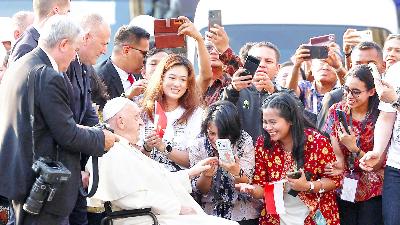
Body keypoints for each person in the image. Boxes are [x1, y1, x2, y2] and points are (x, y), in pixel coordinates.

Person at [0, 15, 117, 225]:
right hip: (42, 186)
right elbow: (67, 134)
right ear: (63, 44)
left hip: (22, 180)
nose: (74, 58)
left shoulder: (20, 66)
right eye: (74, 50)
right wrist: (101, 138)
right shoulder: (48, 75)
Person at [86, 97, 239, 225]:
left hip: (155, 216)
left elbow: (158, 181)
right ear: (121, 122)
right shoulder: (111, 152)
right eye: (136, 117)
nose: (141, 122)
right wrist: (176, 207)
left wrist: (193, 172)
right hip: (143, 219)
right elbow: (130, 197)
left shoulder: (126, 148)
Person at [238, 92, 341, 225]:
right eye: (264, 122)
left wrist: (307, 186)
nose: (268, 127)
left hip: (313, 215)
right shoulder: (263, 143)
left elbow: (334, 180)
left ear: (290, 120)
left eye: (273, 122)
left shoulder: (316, 141)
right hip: (276, 217)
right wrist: (252, 190)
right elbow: (261, 186)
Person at [65, 13, 111, 225]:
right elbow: (65, 124)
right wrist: (99, 138)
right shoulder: (64, 66)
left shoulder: (85, 66)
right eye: (103, 43)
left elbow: (89, 112)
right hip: (65, 166)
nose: (105, 50)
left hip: (79, 165)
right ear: (87, 37)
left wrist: (106, 135)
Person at [322, 65, 383, 225]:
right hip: (344, 184)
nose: (349, 96)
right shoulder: (337, 110)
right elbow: (338, 156)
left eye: (356, 92)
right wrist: (338, 163)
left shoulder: (380, 116)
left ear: (371, 91)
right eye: (346, 89)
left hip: (373, 187)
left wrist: (353, 148)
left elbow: (377, 164)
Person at [189, 101, 260, 225]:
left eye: (221, 134)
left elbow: (247, 183)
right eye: (211, 133)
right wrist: (206, 176)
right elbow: (200, 190)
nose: (216, 139)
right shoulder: (199, 144)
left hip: (242, 211)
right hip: (209, 213)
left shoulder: (243, 140)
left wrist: (236, 171)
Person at [141, 54, 203, 172]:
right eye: (172, 78)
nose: (177, 84)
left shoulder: (196, 113)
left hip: (180, 183)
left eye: (183, 80)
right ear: (162, 78)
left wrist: (163, 147)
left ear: (188, 84)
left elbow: (195, 160)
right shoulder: (144, 109)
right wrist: (147, 147)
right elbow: (134, 157)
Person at [359, 62, 400, 225]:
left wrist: (396, 101)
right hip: (396, 165)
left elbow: (394, 103)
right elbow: (386, 117)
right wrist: (377, 151)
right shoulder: (396, 70)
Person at [317, 41, 385, 133]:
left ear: (383, 66)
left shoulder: (391, 99)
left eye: (371, 64)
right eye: (358, 64)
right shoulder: (335, 98)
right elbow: (323, 140)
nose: (364, 68)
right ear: (351, 66)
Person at [93, 25, 150, 109]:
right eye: (144, 54)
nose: (146, 59)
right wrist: (126, 97)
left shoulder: (142, 76)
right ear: (126, 50)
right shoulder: (97, 78)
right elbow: (99, 116)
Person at [286, 43, 344, 124]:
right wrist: (296, 66)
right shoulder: (305, 87)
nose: (325, 67)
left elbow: (351, 88)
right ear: (312, 68)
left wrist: (338, 67)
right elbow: (289, 93)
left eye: (330, 64)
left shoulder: (342, 90)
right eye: (321, 62)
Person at [202, 25, 243, 105]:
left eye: (218, 48)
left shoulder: (232, 82)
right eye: (209, 48)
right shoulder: (190, 84)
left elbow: (245, 77)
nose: (214, 52)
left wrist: (224, 49)